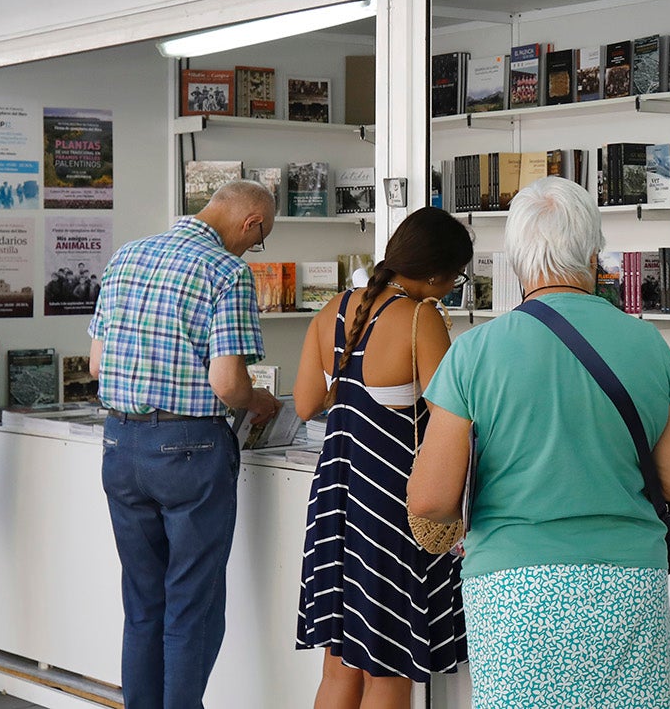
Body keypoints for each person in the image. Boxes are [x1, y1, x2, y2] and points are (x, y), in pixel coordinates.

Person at [407, 176, 670, 709]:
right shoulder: (645, 341)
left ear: (517, 260)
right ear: (593, 254)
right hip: (626, 584)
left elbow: (430, 498)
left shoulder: (474, 353)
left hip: (513, 590)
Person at [88, 179, 282, 709]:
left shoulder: (127, 256)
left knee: (143, 602)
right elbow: (226, 383)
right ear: (251, 223)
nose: (252, 247)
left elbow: (96, 365)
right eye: (259, 238)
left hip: (120, 444)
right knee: (190, 604)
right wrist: (259, 400)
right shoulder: (227, 271)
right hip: (188, 451)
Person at [291, 207, 474, 708]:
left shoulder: (332, 309)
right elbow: (451, 416)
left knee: (339, 668)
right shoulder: (420, 318)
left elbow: (305, 403)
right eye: (455, 277)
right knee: (388, 671)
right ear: (437, 272)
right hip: (391, 508)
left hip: (336, 502)